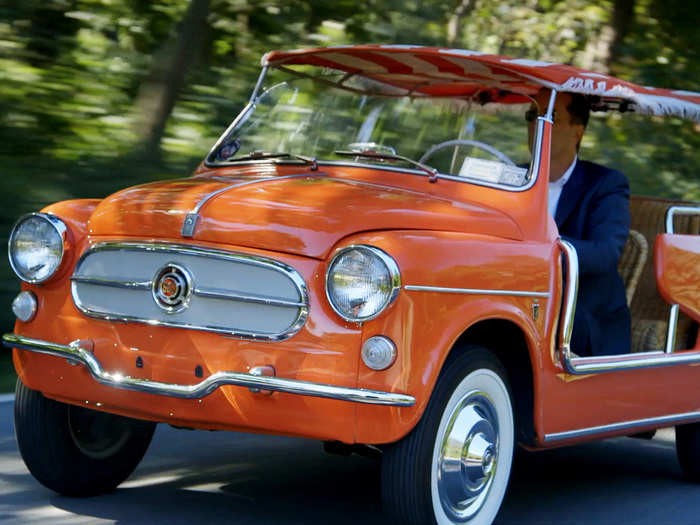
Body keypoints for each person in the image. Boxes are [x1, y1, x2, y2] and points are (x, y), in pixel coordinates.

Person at [528, 90, 631, 357]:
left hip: (583, 319)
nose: (536, 125)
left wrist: (540, 252)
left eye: (549, 117)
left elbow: (606, 252)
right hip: (524, 304)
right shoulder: (512, 177)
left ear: (578, 131)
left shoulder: (606, 184)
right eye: (532, 116)